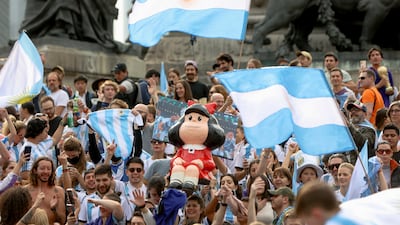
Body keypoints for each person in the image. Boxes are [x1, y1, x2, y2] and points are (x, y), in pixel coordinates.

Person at [25, 157, 66, 224]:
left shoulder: (58, 191)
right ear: (35, 170)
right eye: (42, 168)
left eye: (49, 169)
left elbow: (62, 221)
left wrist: (54, 209)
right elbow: (19, 218)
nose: (46, 171)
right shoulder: (25, 191)